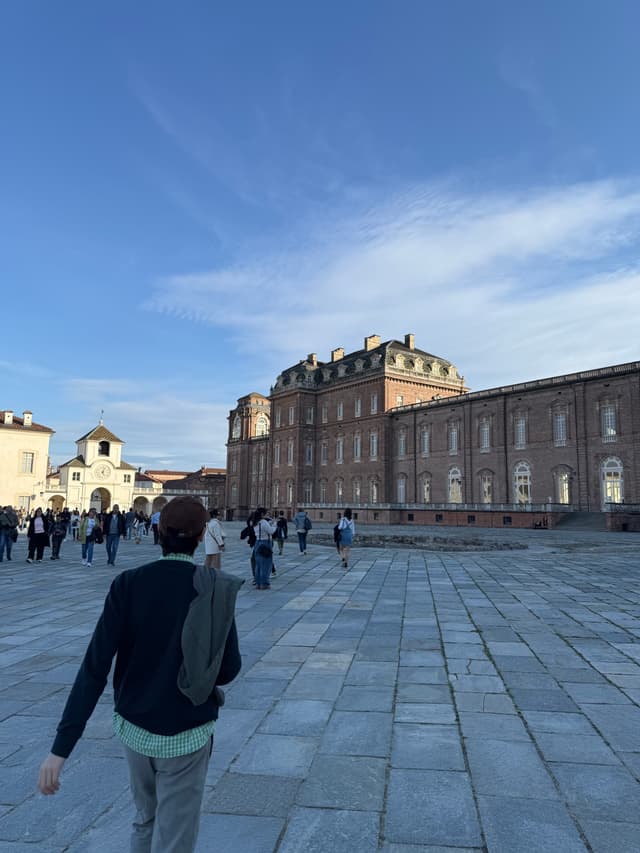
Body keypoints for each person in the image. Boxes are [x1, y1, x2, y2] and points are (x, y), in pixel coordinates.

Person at [37, 495, 243, 853]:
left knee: (144, 817)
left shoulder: (128, 583)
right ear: (199, 538)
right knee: (176, 835)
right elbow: (228, 670)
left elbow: (94, 668)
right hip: (187, 733)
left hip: (134, 729)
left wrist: (60, 750)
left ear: (159, 533)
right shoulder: (213, 587)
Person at [252, 507, 276, 590]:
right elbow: (271, 531)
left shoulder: (255, 522)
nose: (267, 515)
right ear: (262, 514)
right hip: (265, 543)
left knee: (258, 565)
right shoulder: (263, 522)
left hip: (257, 543)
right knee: (266, 565)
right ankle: (264, 584)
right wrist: (274, 525)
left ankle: (258, 583)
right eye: (266, 513)